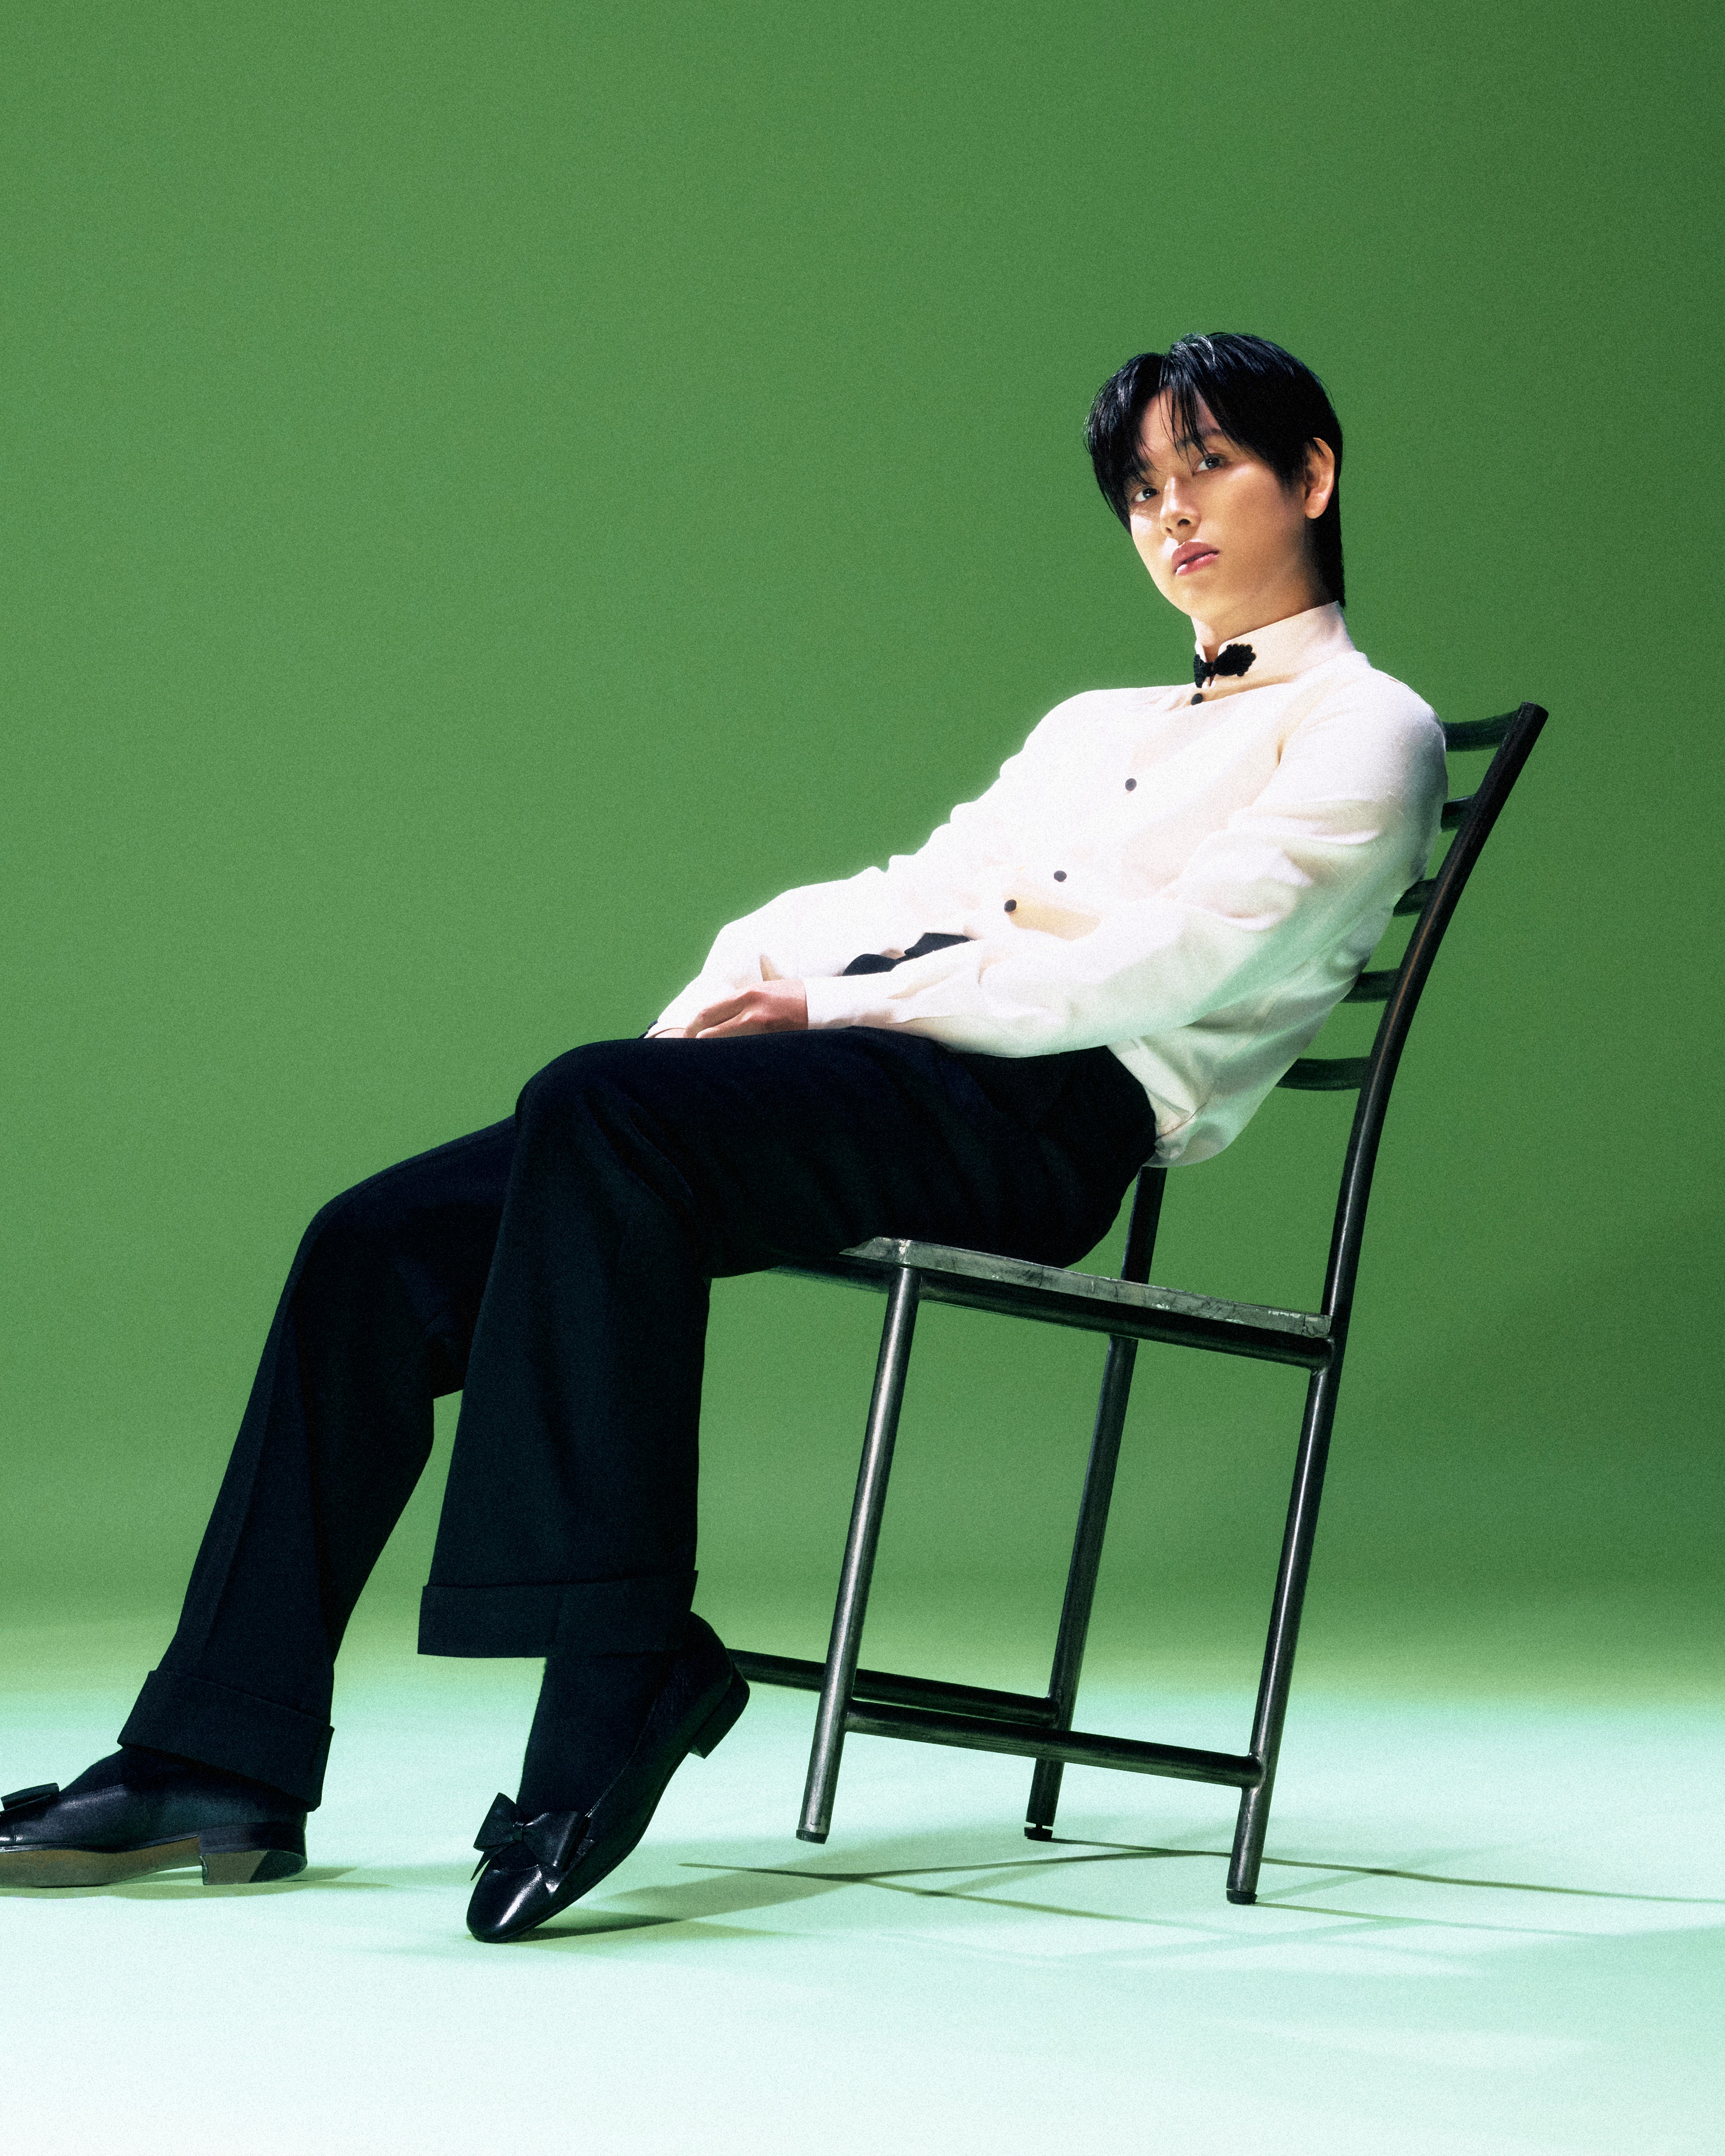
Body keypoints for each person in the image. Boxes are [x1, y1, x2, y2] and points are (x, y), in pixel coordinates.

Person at [0, 332, 1447, 1942]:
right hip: (901, 1059)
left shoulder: (1367, 728)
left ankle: (614, 1674)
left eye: (1209, 468)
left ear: (1313, 475)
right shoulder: (1090, 722)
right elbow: (913, 887)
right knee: (375, 1245)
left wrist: (839, 1008)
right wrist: (729, 998)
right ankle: (218, 1753)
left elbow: (1166, 967)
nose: (1170, 514)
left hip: (1054, 1110)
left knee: (597, 1113)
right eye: (1141, 489)